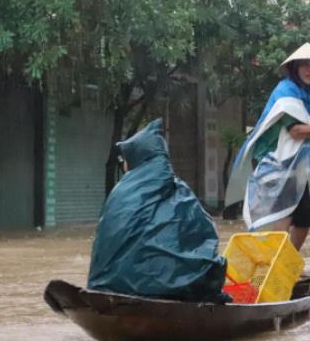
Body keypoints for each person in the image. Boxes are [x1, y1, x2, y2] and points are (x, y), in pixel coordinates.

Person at [87, 118, 228, 302]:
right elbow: (204, 236)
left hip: (105, 285)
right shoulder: (178, 191)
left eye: (126, 159)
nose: (124, 164)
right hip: (163, 289)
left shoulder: (118, 192)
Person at [225, 42, 310, 250]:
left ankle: (285, 263)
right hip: (277, 164)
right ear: (295, 68)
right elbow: (297, 131)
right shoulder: (286, 91)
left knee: (305, 219)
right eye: (305, 65)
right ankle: (271, 265)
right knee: (282, 216)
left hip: (297, 168)